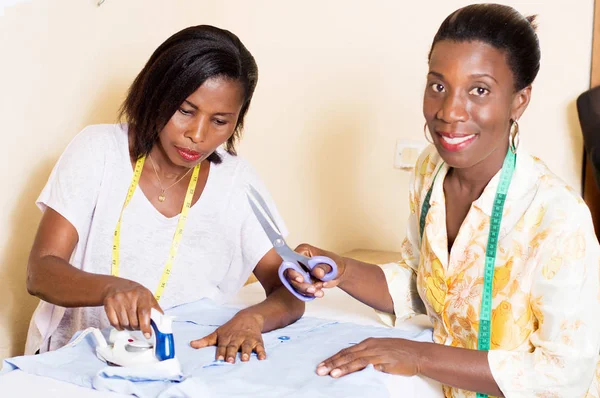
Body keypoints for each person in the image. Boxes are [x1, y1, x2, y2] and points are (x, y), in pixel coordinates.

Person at [285, 4, 600, 397]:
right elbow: (425, 284)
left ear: (519, 100)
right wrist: (340, 269)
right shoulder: (430, 171)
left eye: (479, 90)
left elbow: (565, 375)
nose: (449, 111)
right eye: (438, 85)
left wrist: (420, 356)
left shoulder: (557, 218)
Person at [25, 25, 304, 364]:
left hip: (183, 365)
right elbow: (40, 271)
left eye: (219, 121)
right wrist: (111, 288)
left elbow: (289, 293)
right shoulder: (98, 151)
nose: (197, 135)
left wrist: (252, 319)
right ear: (154, 93)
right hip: (75, 362)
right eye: (185, 110)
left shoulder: (236, 181)